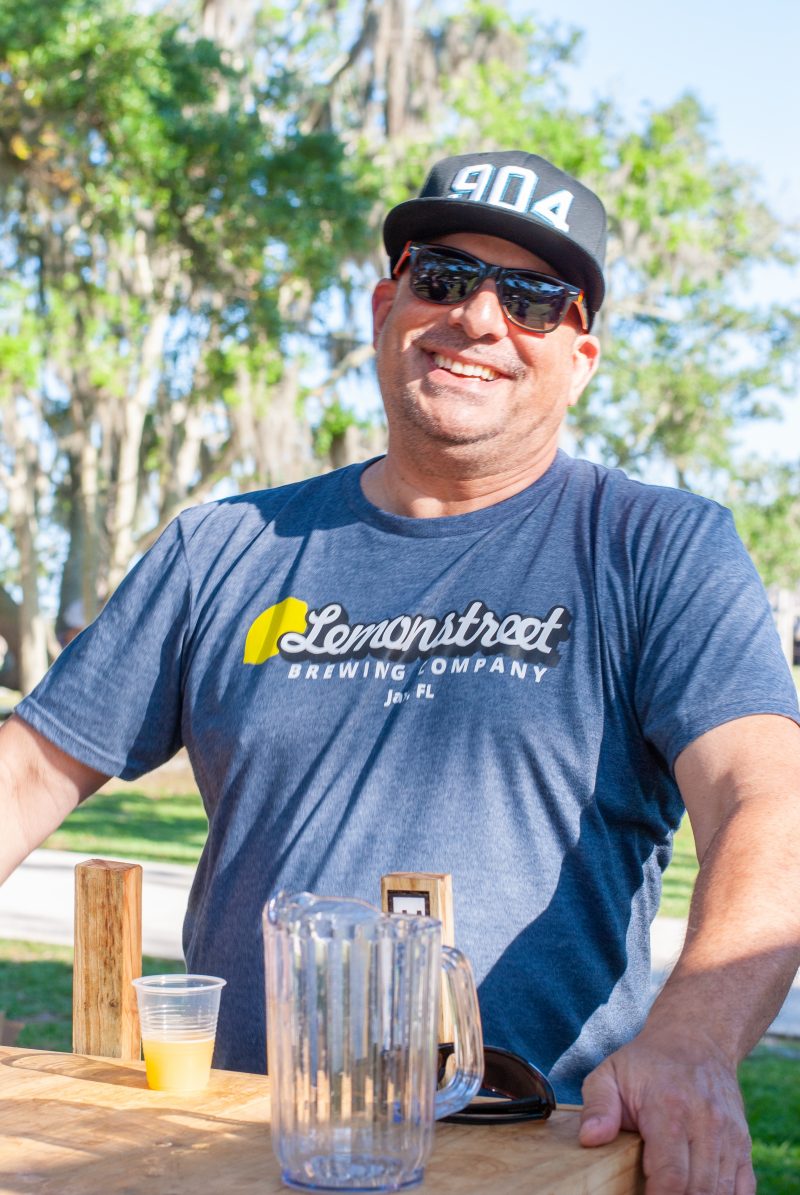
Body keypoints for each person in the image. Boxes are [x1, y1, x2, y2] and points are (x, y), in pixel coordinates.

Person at [2, 149, 799, 1194]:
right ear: (387, 308)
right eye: (444, 276)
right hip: (240, 1147)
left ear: (579, 357)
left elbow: (765, 796)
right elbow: (28, 771)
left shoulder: (657, 547)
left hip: (537, 1152)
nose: (478, 318)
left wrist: (691, 1040)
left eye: (532, 298)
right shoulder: (225, 547)